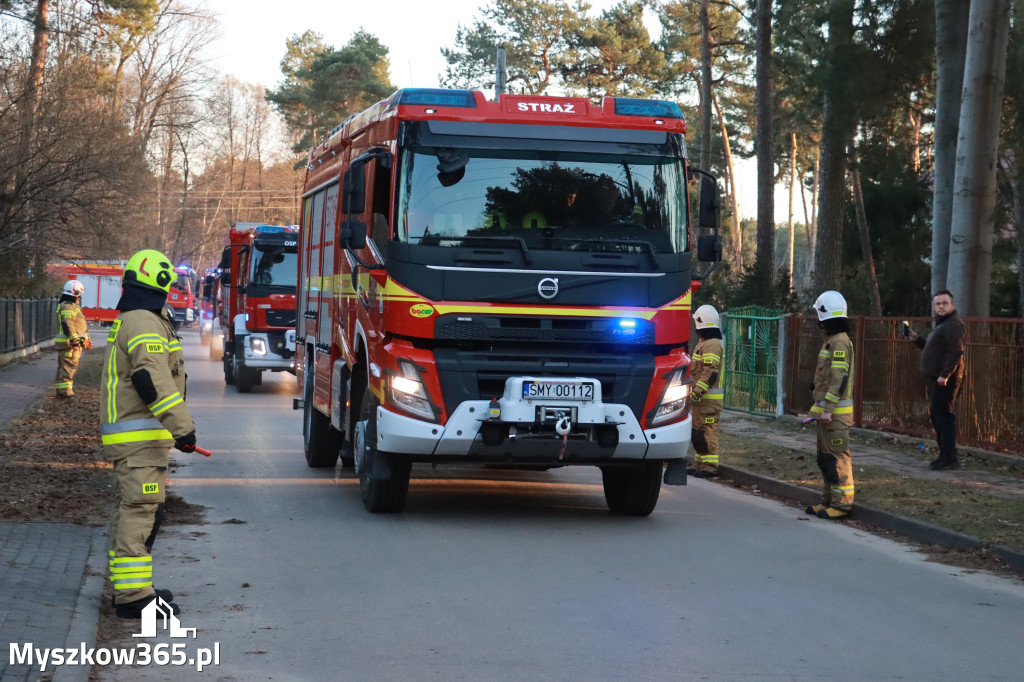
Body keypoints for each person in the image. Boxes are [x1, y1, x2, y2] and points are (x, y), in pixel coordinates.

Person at [102, 249, 200, 618]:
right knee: (141, 512)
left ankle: (133, 588)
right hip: (139, 440)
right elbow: (151, 379)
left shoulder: (135, 317)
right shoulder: (144, 322)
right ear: (161, 282)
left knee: (139, 511)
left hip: (137, 440)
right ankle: (132, 600)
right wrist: (183, 429)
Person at [806, 290, 855, 520]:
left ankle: (842, 505)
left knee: (837, 459)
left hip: (835, 415)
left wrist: (827, 410)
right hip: (828, 414)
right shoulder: (832, 341)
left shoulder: (839, 343)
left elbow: (839, 378)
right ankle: (827, 501)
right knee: (825, 459)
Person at [906, 289, 966, 470]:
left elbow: (956, 352)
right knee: (938, 418)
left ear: (952, 305)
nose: (940, 306)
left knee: (944, 418)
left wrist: (945, 375)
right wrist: (917, 340)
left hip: (946, 380)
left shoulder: (954, 324)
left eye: (944, 303)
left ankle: (950, 459)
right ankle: (944, 456)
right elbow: (934, 349)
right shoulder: (942, 324)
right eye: (938, 304)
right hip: (937, 378)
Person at [689, 304, 724, 477]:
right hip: (700, 401)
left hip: (707, 400)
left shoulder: (712, 345)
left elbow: (710, 371)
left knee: (707, 432)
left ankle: (710, 468)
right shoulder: (703, 344)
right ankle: (699, 464)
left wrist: (697, 391)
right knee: (697, 433)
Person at [54, 280, 92, 397]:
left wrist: (84, 340)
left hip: (68, 343)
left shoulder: (68, 305)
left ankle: (62, 391)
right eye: (79, 294)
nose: (80, 297)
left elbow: (75, 326)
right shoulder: (68, 306)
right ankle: (65, 393)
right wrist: (75, 342)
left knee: (65, 367)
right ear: (75, 293)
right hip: (69, 345)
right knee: (68, 368)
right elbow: (68, 324)